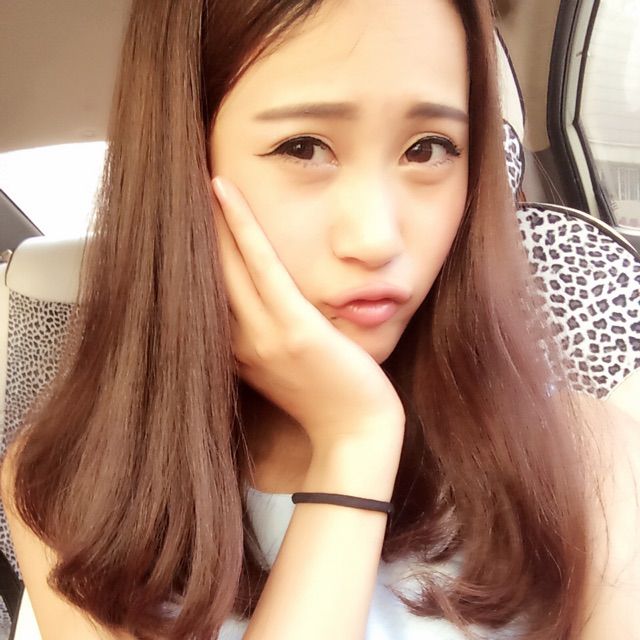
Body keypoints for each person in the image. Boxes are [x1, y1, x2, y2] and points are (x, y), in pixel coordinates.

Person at [1, 0, 639, 638]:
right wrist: (354, 446)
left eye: (429, 148)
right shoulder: (71, 488)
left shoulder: (590, 458)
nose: (376, 238)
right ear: (182, 170)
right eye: (303, 147)